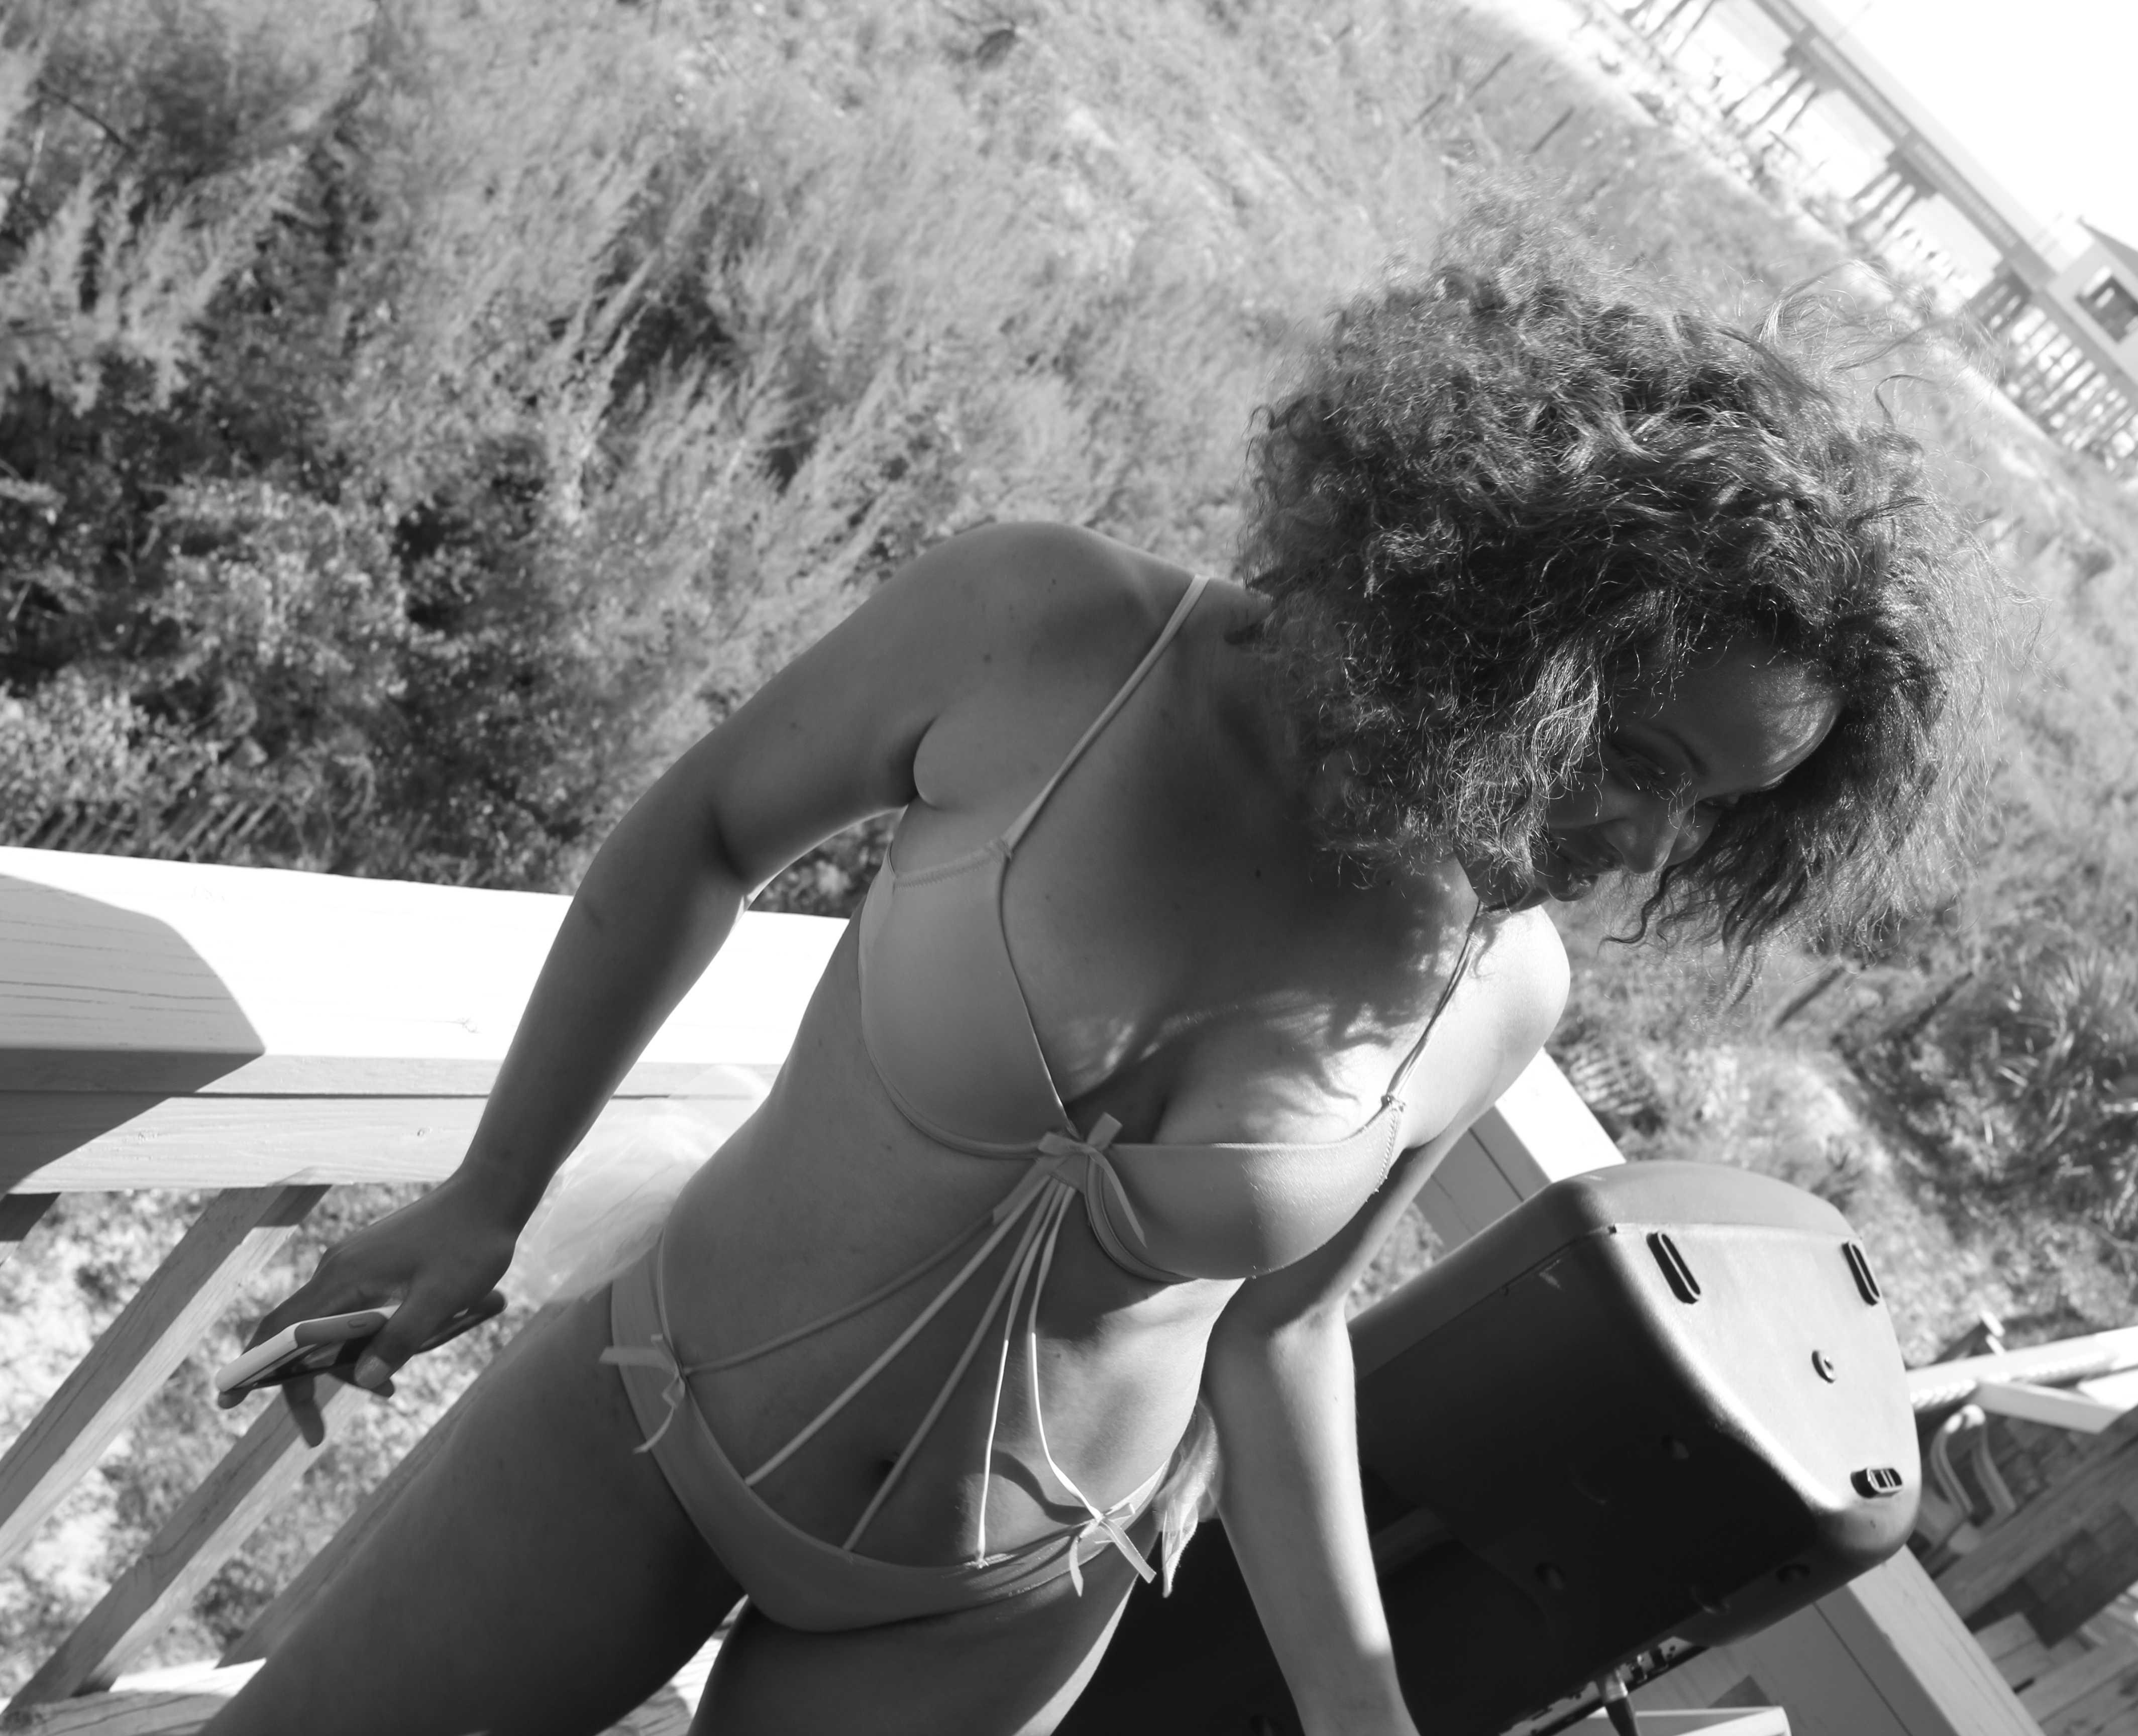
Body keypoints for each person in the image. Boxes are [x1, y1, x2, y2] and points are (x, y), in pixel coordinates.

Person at [205, 214, 1985, 1736]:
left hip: (998, 1604)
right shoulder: (1055, 633)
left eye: (1717, 807)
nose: (1654, 846)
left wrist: (1364, 1713)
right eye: (1644, 758)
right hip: (661, 1413)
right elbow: (704, 837)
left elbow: (1280, 1334)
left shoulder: (1496, 988)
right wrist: (489, 1200)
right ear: (1512, 633)